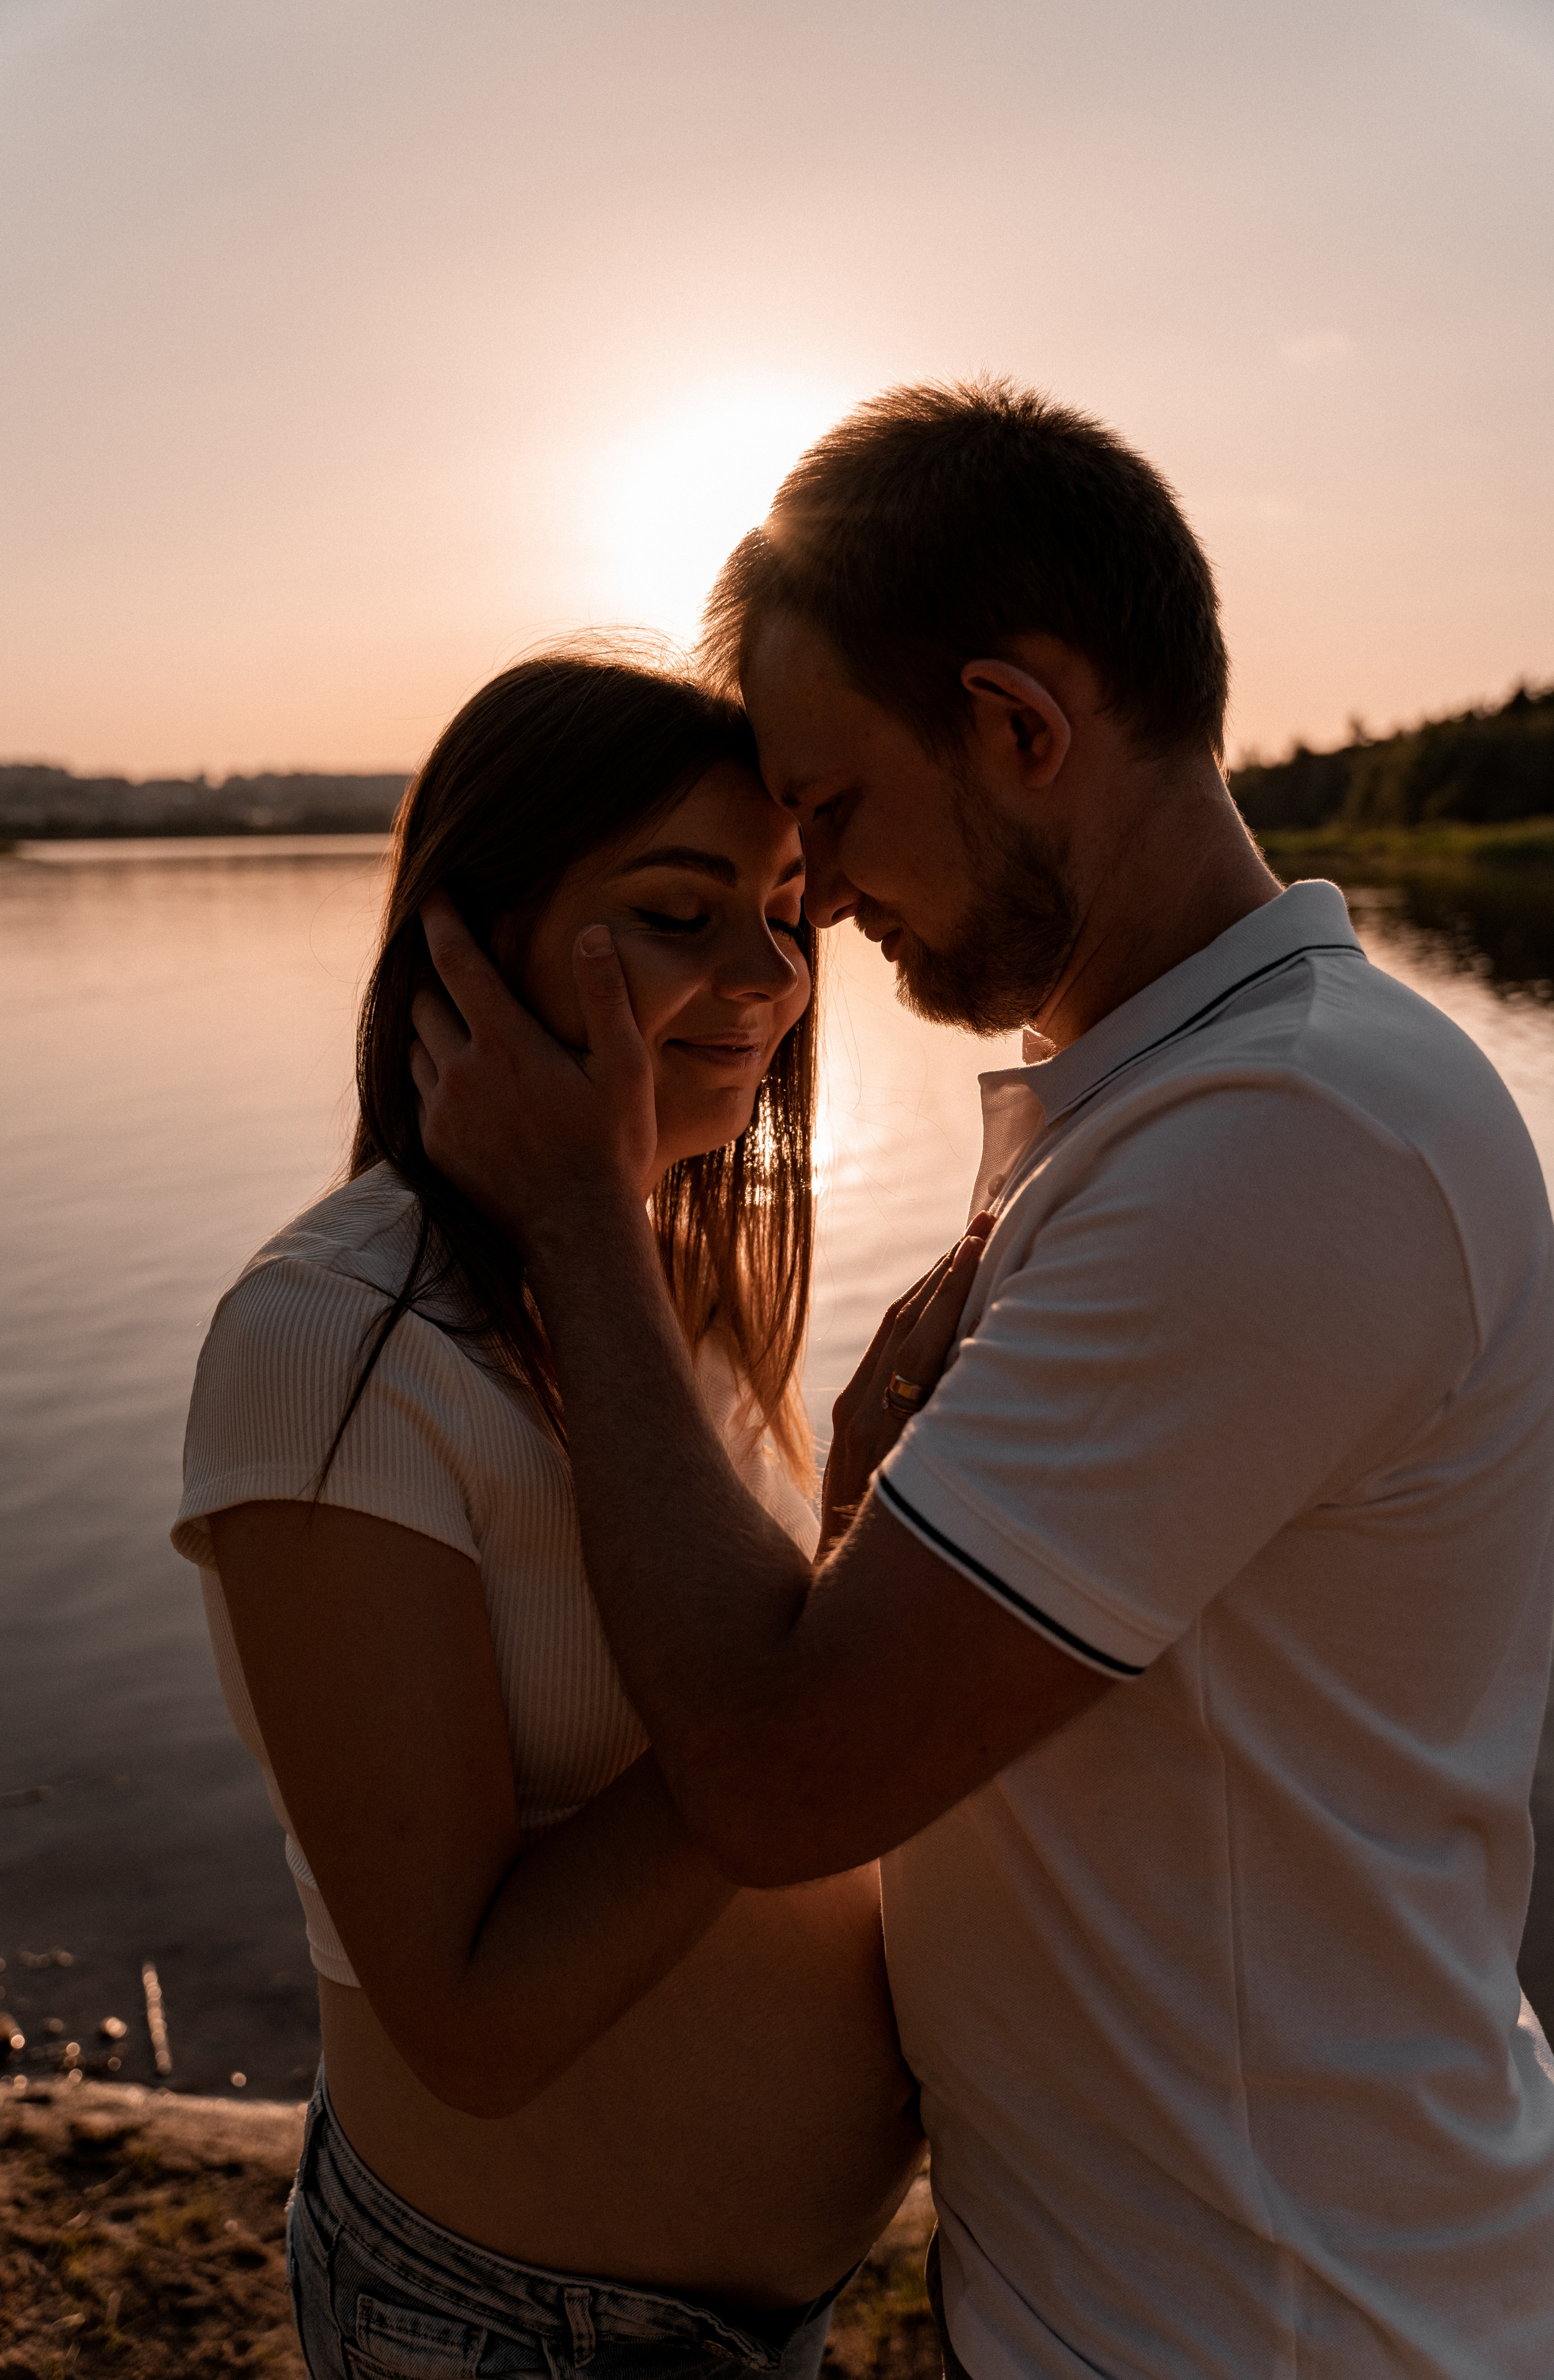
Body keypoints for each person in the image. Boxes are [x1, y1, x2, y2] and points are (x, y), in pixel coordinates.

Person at [408, 383, 1554, 2379]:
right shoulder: (1176, 1103)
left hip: (1280, 2329)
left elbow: (780, 1779)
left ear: (1021, 726)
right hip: (1164, 2294)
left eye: (834, 813)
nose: (825, 901)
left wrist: (582, 1220)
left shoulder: (1284, 1142)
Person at [170, 653, 932, 2380]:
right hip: (520, 2330)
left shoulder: (655, 1283)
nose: (772, 977)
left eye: (788, 914)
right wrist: (820, 1677)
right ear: (468, 944)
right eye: (676, 914)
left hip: (742, 2320)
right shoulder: (330, 1343)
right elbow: (472, 2021)